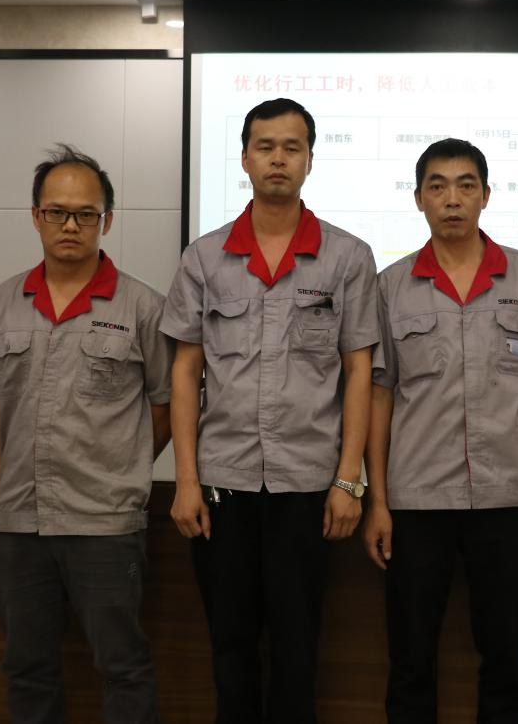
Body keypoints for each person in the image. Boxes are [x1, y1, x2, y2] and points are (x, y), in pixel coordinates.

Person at [160, 97, 378, 723]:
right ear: (245, 159)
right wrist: (185, 480)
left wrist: (348, 480)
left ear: (309, 159)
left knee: (297, 648)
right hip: (222, 486)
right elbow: (185, 371)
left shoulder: (346, 257)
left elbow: (359, 371)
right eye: (265, 147)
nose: (278, 159)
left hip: (307, 486)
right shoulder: (205, 258)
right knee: (229, 646)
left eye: (291, 147)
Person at [0, 145, 173, 724]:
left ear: (107, 220)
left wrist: (124, 465)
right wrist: (2, 479)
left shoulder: (143, 307)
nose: (70, 225)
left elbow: (166, 406)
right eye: (57, 212)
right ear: (36, 216)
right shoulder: (3, 303)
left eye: (85, 214)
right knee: (26, 668)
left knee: (122, 666)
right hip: (20, 522)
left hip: (105, 521)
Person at [363, 138, 518, 723]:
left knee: (506, 658)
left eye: (465, 185)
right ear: (418, 199)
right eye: (437, 186)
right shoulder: (392, 285)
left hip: (505, 499)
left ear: (485, 195)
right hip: (416, 500)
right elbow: (380, 394)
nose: (451, 199)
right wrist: (377, 501)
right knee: (410, 660)